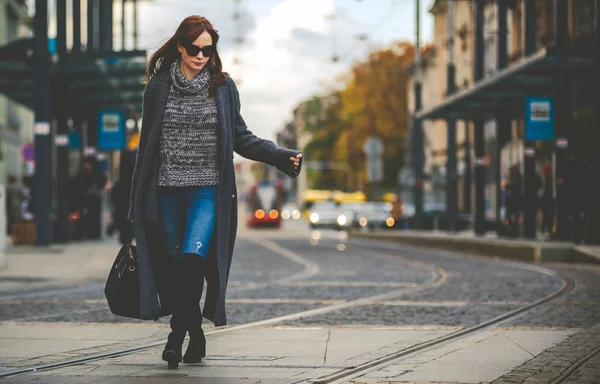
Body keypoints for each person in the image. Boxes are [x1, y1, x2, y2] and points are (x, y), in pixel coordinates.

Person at [127, 15, 303, 369]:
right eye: (194, 49)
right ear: (180, 45)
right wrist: (134, 202)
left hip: (207, 192)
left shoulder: (222, 87)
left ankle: (177, 335)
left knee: (193, 260)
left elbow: (241, 137)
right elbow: (147, 148)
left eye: (208, 50)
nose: (201, 56)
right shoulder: (158, 87)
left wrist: (280, 157)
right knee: (176, 266)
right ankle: (197, 333)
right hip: (167, 192)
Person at [71, 156, 107, 240]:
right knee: (85, 216)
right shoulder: (82, 173)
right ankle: (85, 233)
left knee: (94, 216)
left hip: (95, 199)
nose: (87, 166)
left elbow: (102, 180)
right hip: (85, 199)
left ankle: (94, 234)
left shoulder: (97, 173)